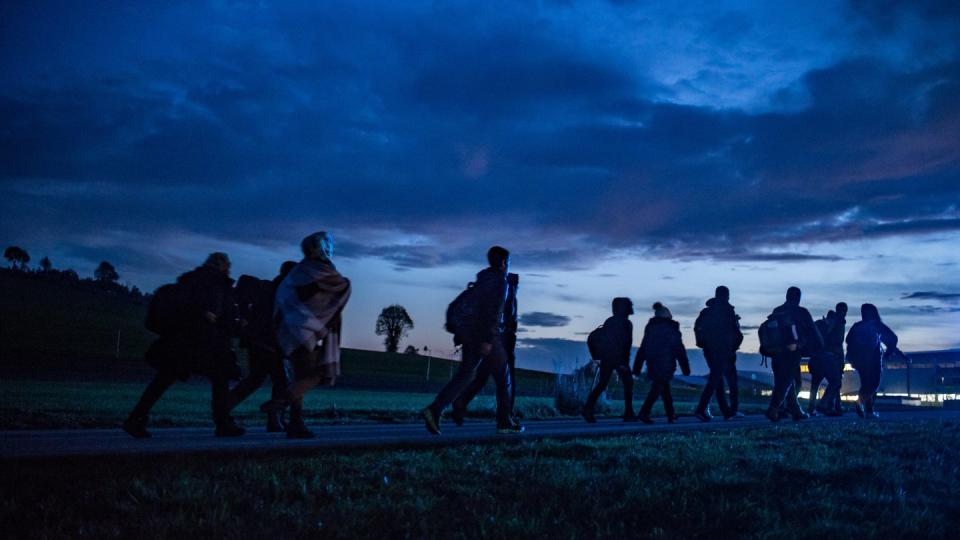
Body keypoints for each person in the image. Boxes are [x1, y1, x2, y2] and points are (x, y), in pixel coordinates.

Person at [122, 253, 244, 438]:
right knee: (220, 379)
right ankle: (223, 422)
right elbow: (217, 315)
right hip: (206, 342)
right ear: (223, 265)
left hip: (180, 341)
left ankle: (136, 417)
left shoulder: (189, 280)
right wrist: (235, 325)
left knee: (163, 379)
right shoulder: (216, 283)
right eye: (228, 264)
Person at [421, 246, 522, 435]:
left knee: (466, 374)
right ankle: (504, 421)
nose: (508, 266)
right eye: (508, 263)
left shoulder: (483, 279)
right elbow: (493, 313)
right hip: (486, 337)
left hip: (470, 335)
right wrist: (489, 340)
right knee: (504, 377)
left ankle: (435, 409)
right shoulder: (501, 282)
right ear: (503, 263)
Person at [261, 232, 352, 438]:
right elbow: (340, 288)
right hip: (303, 330)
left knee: (301, 375)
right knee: (316, 374)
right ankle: (279, 404)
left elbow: (290, 297)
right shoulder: (322, 270)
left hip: (287, 329)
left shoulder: (299, 270)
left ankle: (295, 422)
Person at [222, 261, 297, 432]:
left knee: (255, 380)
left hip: (257, 342)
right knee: (283, 381)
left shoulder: (268, 288)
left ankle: (222, 410)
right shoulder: (284, 293)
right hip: (272, 343)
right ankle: (275, 419)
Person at [450, 272, 520, 426]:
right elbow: (506, 318)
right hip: (502, 339)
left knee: (482, 376)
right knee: (506, 381)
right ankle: (505, 418)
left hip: (492, 338)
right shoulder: (507, 291)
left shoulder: (486, 289)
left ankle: (461, 401)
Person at [764, 286, 823, 422]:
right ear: (798, 298)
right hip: (793, 350)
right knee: (788, 380)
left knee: (783, 380)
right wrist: (819, 346)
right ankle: (773, 408)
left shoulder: (777, 311)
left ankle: (795, 411)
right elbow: (813, 330)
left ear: (786, 296)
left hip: (776, 351)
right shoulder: (801, 312)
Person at [692, 286, 744, 421]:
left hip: (709, 350)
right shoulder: (727, 311)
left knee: (717, 380)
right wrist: (734, 346)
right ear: (727, 295)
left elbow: (697, 328)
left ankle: (727, 411)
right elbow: (735, 332)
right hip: (725, 350)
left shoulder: (706, 312)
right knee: (725, 380)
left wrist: (703, 344)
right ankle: (702, 409)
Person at [635, 302, 691, 424]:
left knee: (664, 389)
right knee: (658, 388)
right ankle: (644, 412)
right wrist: (685, 367)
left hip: (653, 363)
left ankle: (671, 415)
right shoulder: (671, 328)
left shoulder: (651, 328)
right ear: (668, 316)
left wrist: (637, 366)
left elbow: (644, 347)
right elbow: (679, 348)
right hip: (666, 363)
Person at [582, 297, 636, 423]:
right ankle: (629, 413)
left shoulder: (610, 321)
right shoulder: (626, 324)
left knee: (602, 383)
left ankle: (587, 409)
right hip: (617, 358)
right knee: (628, 383)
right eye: (629, 306)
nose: (631, 308)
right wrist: (623, 363)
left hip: (606, 357)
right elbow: (624, 345)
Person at [846, 303, 899, 419]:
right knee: (874, 384)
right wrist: (888, 353)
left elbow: (848, 339)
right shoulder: (876, 324)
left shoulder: (857, 326)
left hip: (858, 360)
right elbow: (893, 338)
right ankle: (859, 402)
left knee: (865, 384)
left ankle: (869, 411)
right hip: (873, 359)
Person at [807, 302, 847, 416]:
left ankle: (813, 407)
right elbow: (836, 343)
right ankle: (826, 405)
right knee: (835, 382)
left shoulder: (823, 324)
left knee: (815, 385)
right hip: (829, 359)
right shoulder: (836, 322)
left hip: (815, 358)